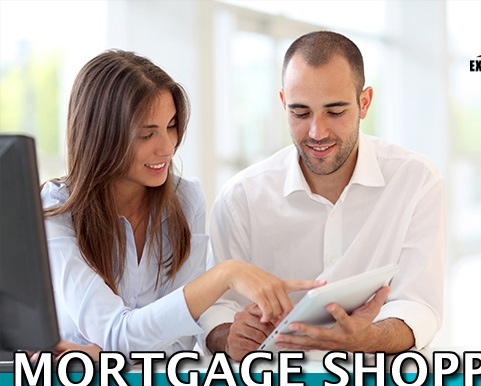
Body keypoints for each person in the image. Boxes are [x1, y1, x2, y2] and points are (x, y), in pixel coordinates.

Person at [40, 50, 322, 360]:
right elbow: (117, 333)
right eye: (147, 134)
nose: (167, 147)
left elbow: (181, 343)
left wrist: (101, 353)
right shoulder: (57, 210)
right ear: (102, 136)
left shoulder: (185, 200)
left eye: (171, 126)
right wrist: (224, 274)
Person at [201, 31, 446, 361]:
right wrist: (228, 336)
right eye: (300, 113)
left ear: (364, 102)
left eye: (335, 111)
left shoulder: (415, 180)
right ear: (283, 103)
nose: (317, 133)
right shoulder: (241, 198)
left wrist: (368, 337)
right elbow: (216, 308)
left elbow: (419, 304)